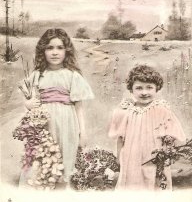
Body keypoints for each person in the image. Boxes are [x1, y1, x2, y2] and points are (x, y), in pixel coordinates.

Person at [19, 28, 94, 188]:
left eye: (59, 48)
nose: (55, 52)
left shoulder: (72, 75)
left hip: (67, 125)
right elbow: (29, 102)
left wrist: (83, 133)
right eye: (50, 48)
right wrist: (28, 104)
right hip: (43, 126)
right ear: (43, 51)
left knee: (64, 160)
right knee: (41, 158)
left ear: (66, 51)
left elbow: (79, 108)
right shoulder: (37, 75)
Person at [108, 64, 186, 191]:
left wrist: (166, 153)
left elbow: (170, 136)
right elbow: (121, 138)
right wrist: (118, 157)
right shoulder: (126, 111)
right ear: (131, 90)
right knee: (132, 182)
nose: (144, 92)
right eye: (139, 88)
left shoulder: (162, 110)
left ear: (156, 89)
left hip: (155, 156)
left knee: (154, 182)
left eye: (149, 87)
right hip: (131, 155)